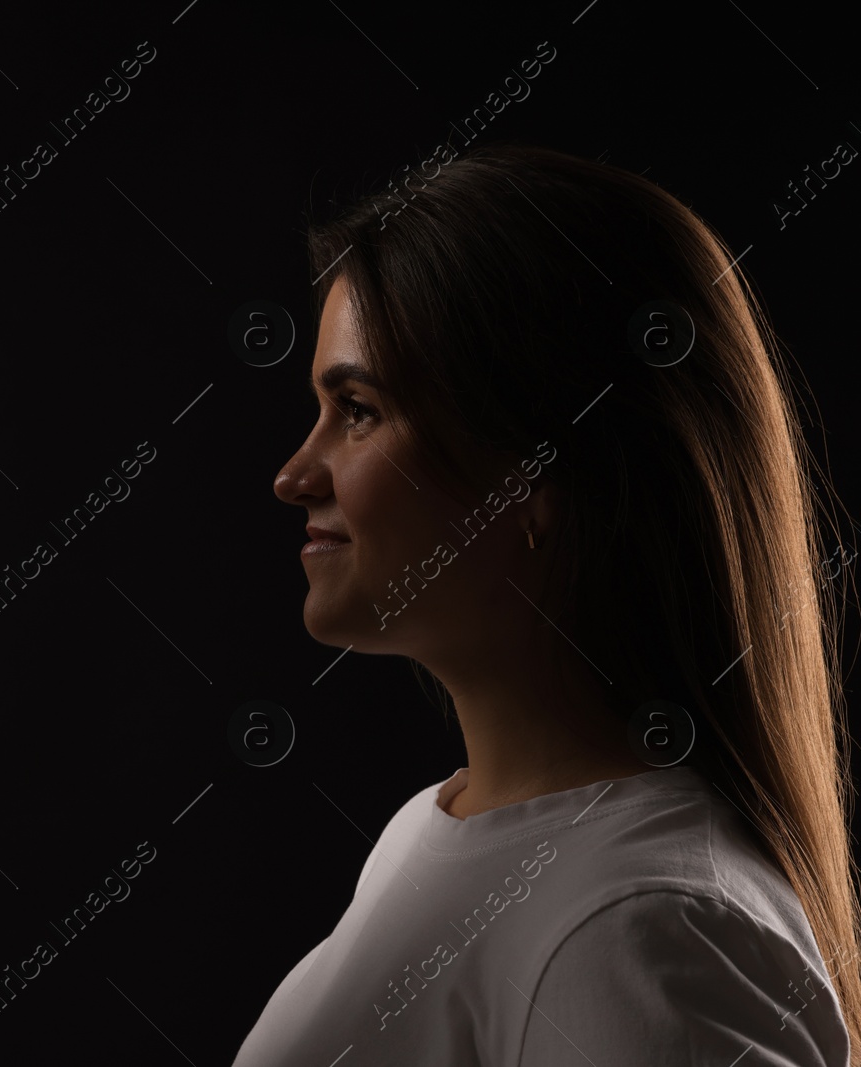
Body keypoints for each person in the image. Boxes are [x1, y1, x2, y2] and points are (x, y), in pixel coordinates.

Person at [238, 142, 859, 1065]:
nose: (293, 475)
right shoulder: (438, 830)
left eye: (358, 409)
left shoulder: (643, 931)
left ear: (535, 481)